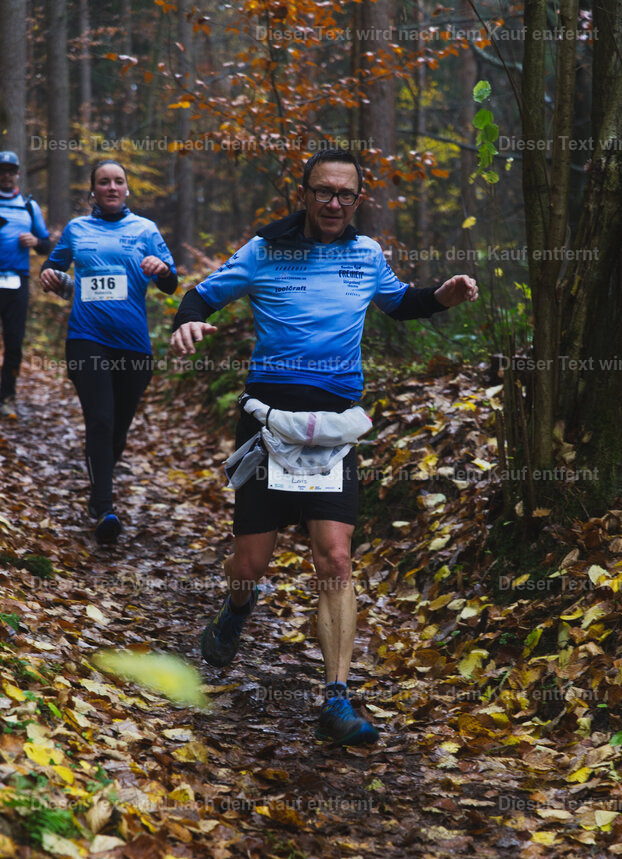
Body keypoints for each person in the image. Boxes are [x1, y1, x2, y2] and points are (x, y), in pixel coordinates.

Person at [170, 148, 478, 746]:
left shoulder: (366, 255)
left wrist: (441, 296)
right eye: (323, 192)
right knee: (251, 566)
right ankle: (235, 611)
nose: (334, 203)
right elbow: (201, 295)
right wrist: (188, 320)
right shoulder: (265, 250)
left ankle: (336, 697)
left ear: (359, 200)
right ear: (305, 194)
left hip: (334, 427)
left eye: (346, 194)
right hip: (267, 422)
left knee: (335, 557)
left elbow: (400, 305)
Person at [40, 160, 177, 544]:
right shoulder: (77, 229)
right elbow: (53, 270)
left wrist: (162, 269)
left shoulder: (146, 230)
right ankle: (104, 507)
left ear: (128, 189)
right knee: (99, 420)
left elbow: (171, 282)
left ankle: (99, 484)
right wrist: (50, 277)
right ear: (93, 190)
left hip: (133, 344)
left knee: (117, 431)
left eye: (119, 181)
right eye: (104, 182)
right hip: (86, 338)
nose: (112, 187)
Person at [0, 150, 50, 417]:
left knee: (14, 342)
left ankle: (6, 396)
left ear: (17, 174)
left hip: (17, 281)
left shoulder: (29, 206)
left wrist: (35, 242)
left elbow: (47, 245)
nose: (6, 175)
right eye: (2, 170)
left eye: (10, 170)